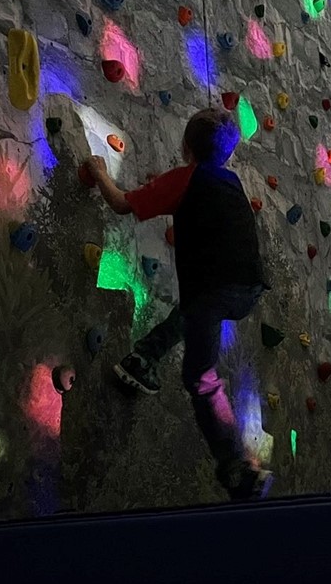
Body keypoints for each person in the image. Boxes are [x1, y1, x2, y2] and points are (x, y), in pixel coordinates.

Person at [83, 108, 272, 500]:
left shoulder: (184, 179)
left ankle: (238, 465)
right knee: (191, 312)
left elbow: (121, 204)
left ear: (184, 145)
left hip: (214, 289)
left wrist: (100, 172)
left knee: (199, 378)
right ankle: (144, 356)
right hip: (247, 289)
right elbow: (191, 203)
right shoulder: (229, 180)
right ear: (228, 155)